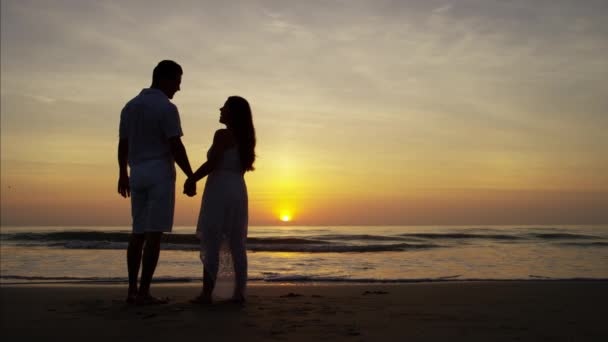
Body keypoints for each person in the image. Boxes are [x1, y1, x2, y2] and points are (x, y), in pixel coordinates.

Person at [117, 60, 195, 305]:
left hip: (137, 173)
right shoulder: (166, 108)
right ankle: (143, 292)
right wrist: (190, 175)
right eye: (177, 82)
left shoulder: (130, 106)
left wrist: (122, 173)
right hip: (159, 174)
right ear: (164, 79)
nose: (178, 88)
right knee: (153, 235)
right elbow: (175, 144)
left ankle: (132, 290)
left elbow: (123, 144)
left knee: (137, 233)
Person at [185, 96, 256, 305]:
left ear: (232, 113)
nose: (220, 109)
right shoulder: (246, 138)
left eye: (224, 107)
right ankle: (238, 293)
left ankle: (207, 294)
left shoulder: (223, 134)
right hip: (238, 189)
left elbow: (212, 163)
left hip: (220, 189)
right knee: (236, 242)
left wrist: (191, 179)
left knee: (212, 239)